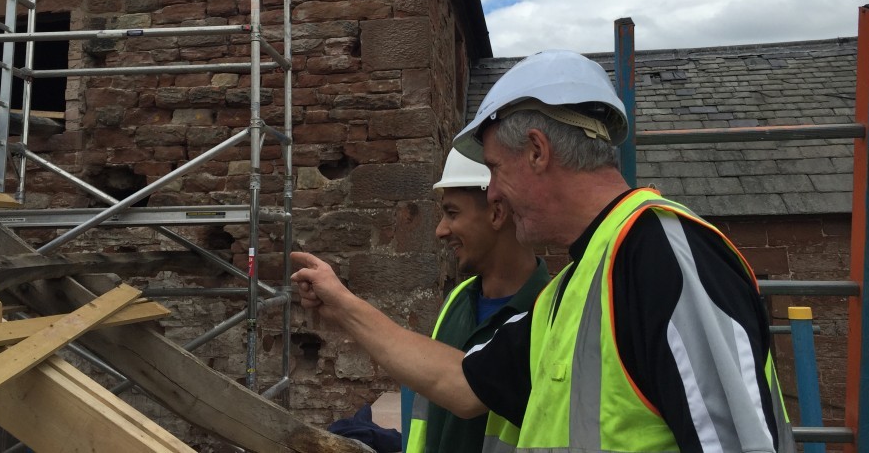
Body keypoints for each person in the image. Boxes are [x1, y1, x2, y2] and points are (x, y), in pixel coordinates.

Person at [292, 49, 795, 453]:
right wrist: (342, 304)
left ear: (537, 150)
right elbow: (461, 383)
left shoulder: (664, 255)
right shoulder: (570, 291)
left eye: (493, 168)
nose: (491, 195)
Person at [406, 149, 549, 453]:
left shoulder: (551, 316)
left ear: (497, 213)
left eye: (452, 213)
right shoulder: (457, 301)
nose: (440, 230)